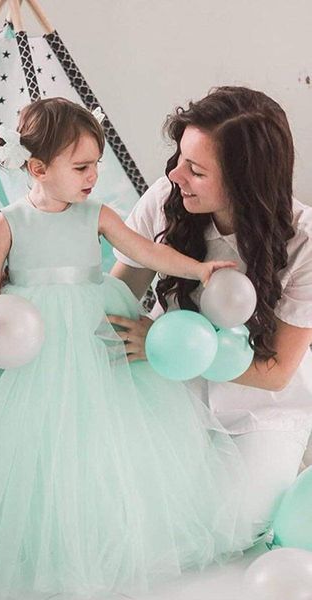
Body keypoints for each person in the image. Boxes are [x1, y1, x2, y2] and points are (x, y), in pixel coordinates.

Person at [0, 98, 252, 599]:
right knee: (25, 441)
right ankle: (27, 536)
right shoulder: (12, 220)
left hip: (91, 331)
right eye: (82, 167)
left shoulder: (97, 213)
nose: (93, 176)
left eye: (96, 164)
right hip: (29, 336)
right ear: (39, 169)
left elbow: (143, 251)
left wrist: (199, 270)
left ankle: (99, 533)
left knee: (99, 436)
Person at [110, 86, 312, 537]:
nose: (176, 174)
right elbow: (120, 292)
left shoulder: (305, 242)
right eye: (180, 158)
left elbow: (276, 371)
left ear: (245, 181)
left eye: (196, 170)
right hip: (166, 384)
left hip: (261, 401)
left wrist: (162, 344)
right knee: (136, 509)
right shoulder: (168, 197)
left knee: (235, 527)